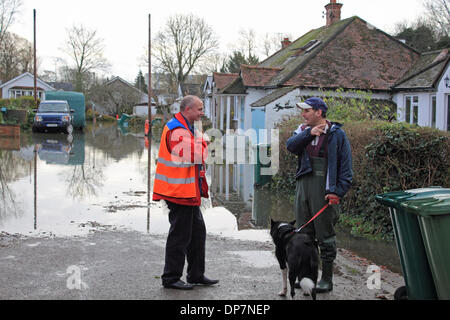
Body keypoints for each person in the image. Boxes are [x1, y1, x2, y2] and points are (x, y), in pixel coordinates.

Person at [286, 97, 352, 293]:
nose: (303, 114)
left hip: (324, 189)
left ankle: (327, 279)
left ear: (319, 112)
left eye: (306, 111)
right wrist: (308, 134)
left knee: (325, 236)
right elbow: (291, 146)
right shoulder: (302, 130)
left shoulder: (337, 134)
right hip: (303, 185)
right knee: (304, 234)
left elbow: (346, 168)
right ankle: (308, 278)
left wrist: (337, 191)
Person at [153, 95, 219, 290]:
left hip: (187, 191)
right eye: (199, 109)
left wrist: (200, 138)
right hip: (178, 191)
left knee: (197, 233)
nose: (202, 112)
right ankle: (171, 278)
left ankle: (196, 274)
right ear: (187, 110)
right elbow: (199, 155)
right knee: (180, 236)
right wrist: (203, 141)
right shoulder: (177, 130)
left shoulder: (189, 128)